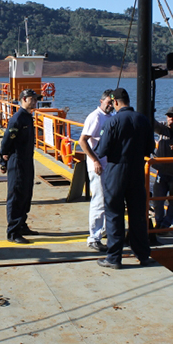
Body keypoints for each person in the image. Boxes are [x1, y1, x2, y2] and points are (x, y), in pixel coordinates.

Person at [95, 88, 155, 269]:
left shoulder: (113, 121)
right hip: (136, 171)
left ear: (115, 102)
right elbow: (149, 147)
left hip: (116, 171)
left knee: (114, 214)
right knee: (138, 215)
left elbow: (102, 150)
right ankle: (143, 254)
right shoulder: (143, 120)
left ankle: (114, 258)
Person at [0, 89, 39, 244]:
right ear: (23, 99)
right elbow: (7, 139)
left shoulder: (28, 117)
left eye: (36, 99)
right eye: (32, 99)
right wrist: (3, 159)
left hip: (27, 161)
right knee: (16, 195)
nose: (35, 101)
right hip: (17, 161)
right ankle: (13, 231)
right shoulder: (18, 118)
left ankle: (22, 224)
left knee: (26, 193)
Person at [78, 89, 114, 252]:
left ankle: (105, 230)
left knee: (108, 200)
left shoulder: (110, 117)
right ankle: (93, 237)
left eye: (112, 103)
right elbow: (83, 141)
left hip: (108, 165)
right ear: (101, 101)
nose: (110, 106)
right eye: (108, 102)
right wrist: (95, 160)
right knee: (99, 201)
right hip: (97, 165)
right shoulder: (95, 117)